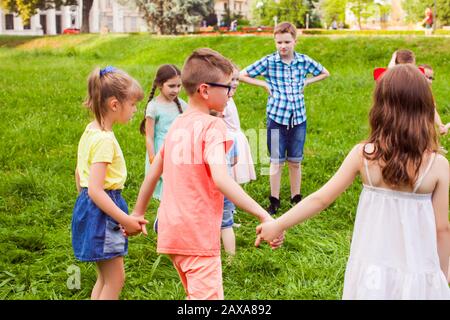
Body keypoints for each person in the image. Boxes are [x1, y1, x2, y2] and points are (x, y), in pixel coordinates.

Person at [256, 65, 450, 299]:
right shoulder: (438, 165)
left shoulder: (364, 155)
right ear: (426, 108)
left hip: (371, 269)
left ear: (380, 107)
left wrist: (279, 224)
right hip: (419, 270)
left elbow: (321, 198)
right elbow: (442, 228)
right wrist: (442, 274)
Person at [130, 48, 284, 300]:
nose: (231, 92)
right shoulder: (214, 126)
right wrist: (263, 214)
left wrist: (138, 212)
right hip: (197, 237)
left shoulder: (178, 124)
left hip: (172, 232)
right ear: (205, 90)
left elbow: (152, 174)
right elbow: (222, 179)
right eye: (226, 87)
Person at [72, 66, 148, 300]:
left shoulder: (91, 131)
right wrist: (124, 219)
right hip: (105, 212)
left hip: (90, 208)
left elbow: (79, 175)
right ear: (115, 104)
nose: (136, 110)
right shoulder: (104, 140)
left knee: (104, 278)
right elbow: (96, 189)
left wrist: (86, 207)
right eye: (133, 104)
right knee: (116, 279)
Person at [240, 21, 330, 215]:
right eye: (279, 42)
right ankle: (274, 200)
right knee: (276, 161)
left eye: (287, 42)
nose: (283, 46)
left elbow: (325, 72)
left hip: (298, 118)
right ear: (274, 41)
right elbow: (241, 75)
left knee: (295, 161)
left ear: (295, 41)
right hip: (276, 118)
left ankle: (296, 197)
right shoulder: (269, 61)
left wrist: (307, 81)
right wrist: (263, 85)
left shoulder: (303, 61)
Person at [139, 64, 187, 201]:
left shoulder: (182, 105)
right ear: (160, 84)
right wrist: (153, 159)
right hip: (162, 153)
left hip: (179, 152)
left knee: (179, 190)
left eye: (179, 86)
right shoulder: (153, 107)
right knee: (166, 192)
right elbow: (149, 136)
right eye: (171, 86)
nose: (176, 90)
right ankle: (162, 220)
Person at [418, 64, 448, 135]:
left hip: (424, 127)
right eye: (425, 76)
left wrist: (440, 124)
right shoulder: (410, 92)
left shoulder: (428, 93)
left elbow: (432, 109)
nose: (428, 80)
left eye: (431, 78)